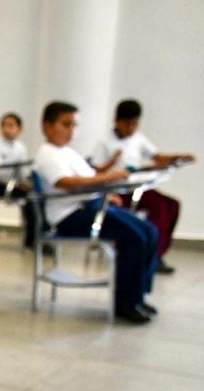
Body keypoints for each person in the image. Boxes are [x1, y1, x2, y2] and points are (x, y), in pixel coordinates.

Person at [34, 101, 159, 324]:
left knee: (149, 230)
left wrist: (105, 194)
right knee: (135, 237)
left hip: (89, 207)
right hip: (69, 216)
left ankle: (138, 295)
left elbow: (90, 177)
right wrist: (110, 177)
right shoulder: (47, 153)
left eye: (75, 125)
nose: (72, 130)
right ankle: (126, 303)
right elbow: (66, 182)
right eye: (66, 124)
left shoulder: (68, 152)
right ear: (47, 126)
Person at [90, 99, 194, 274]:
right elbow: (95, 172)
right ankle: (152, 256)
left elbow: (157, 157)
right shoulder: (104, 143)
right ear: (116, 120)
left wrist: (178, 157)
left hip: (139, 187)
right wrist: (112, 163)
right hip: (119, 191)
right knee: (159, 208)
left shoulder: (138, 139)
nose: (131, 128)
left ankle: (158, 252)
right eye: (127, 123)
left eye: (135, 124)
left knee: (172, 205)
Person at [0, 112, 38, 247]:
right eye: (4, 125)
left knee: (36, 196)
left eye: (11, 126)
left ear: (20, 129)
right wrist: (16, 184)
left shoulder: (20, 147)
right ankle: (31, 241)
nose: (7, 129)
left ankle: (35, 237)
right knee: (29, 197)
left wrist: (24, 182)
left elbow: (22, 171)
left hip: (13, 184)